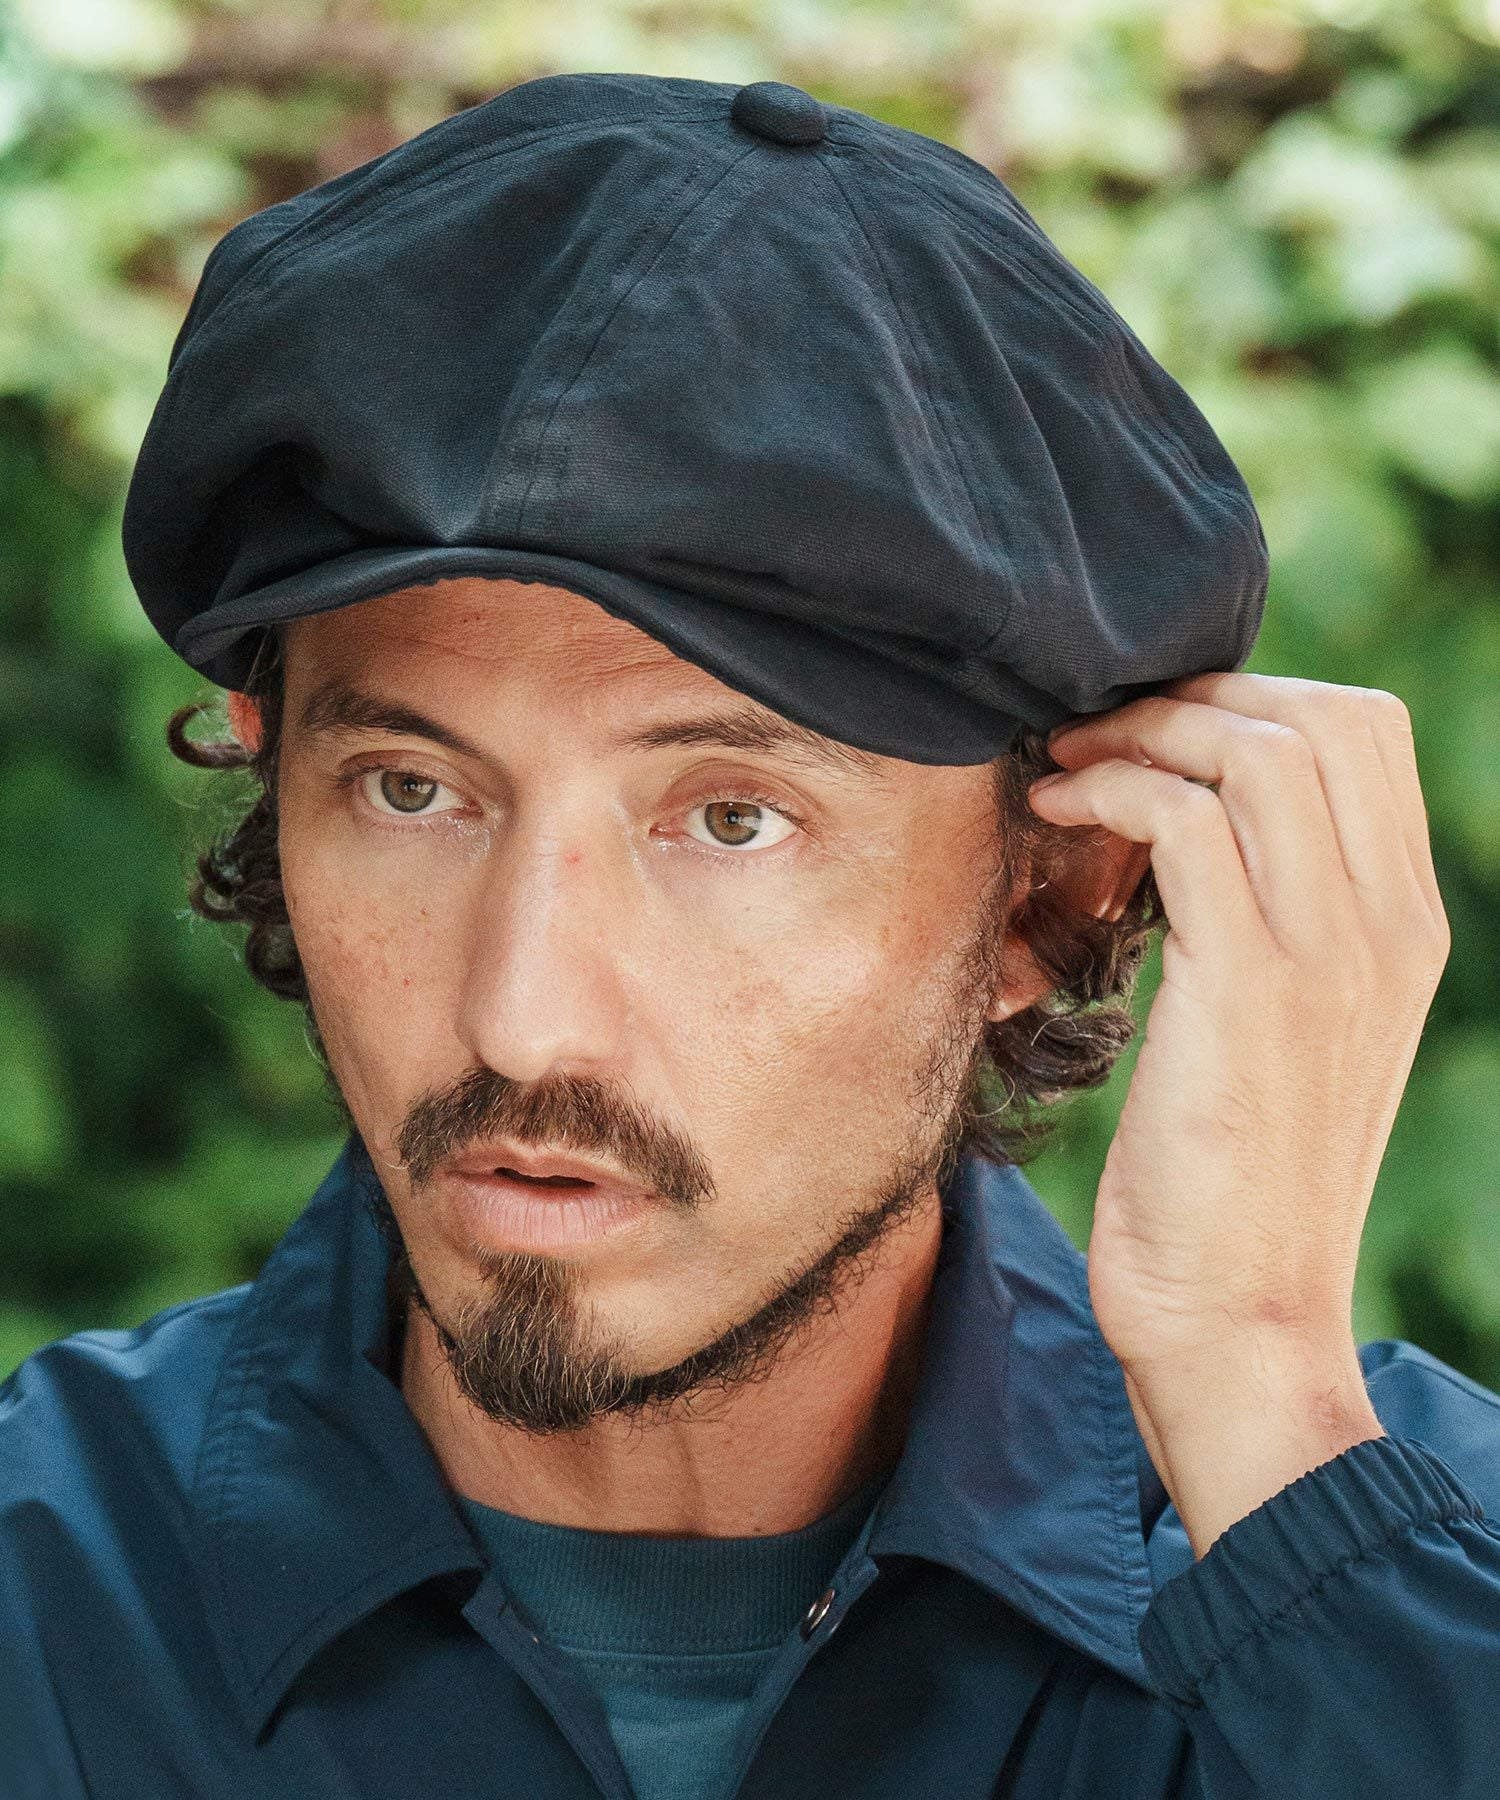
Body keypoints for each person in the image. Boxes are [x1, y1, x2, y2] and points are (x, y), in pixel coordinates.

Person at [3, 71, 1497, 1800]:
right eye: (414, 792)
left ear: (1053, 891)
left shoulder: (1419, 1571)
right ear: (274, 789)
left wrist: (1260, 1393)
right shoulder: (42, 1597)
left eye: (729, 820)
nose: (523, 1019)